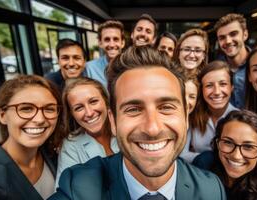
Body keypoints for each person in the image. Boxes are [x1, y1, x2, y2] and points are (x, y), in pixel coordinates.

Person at [50, 46, 226, 200]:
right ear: (113, 121)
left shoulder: (211, 189)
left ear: (186, 118)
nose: (152, 128)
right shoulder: (79, 187)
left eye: (166, 107)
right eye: (133, 109)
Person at [0, 75, 64, 199]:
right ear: (3, 115)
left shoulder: (54, 155)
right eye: (26, 109)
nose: (40, 119)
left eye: (49, 109)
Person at [193, 110, 257, 200]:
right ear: (217, 143)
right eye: (228, 142)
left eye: (248, 146)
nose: (236, 156)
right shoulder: (202, 163)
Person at [55, 77, 119, 187]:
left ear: (106, 101)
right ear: (72, 114)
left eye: (93, 101)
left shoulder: (125, 128)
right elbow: (64, 191)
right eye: (79, 108)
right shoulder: (71, 145)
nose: (89, 113)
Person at [180, 60, 238, 163]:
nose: (216, 92)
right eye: (209, 85)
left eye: (223, 84)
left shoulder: (239, 118)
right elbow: (182, 154)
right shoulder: (193, 115)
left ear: (232, 87)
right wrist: (203, 158)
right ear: (201, 90)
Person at [214, 13, 250, 109]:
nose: (228, 41)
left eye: (233, 34)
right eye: (222, 37)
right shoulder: (214, 69)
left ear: (245, 34)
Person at [85, 20, 125, 89]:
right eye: (107, 39)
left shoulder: (131, 66)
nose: (112, 45)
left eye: (116, 39)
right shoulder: (90, 68)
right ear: (100, 43)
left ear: (122, 43)